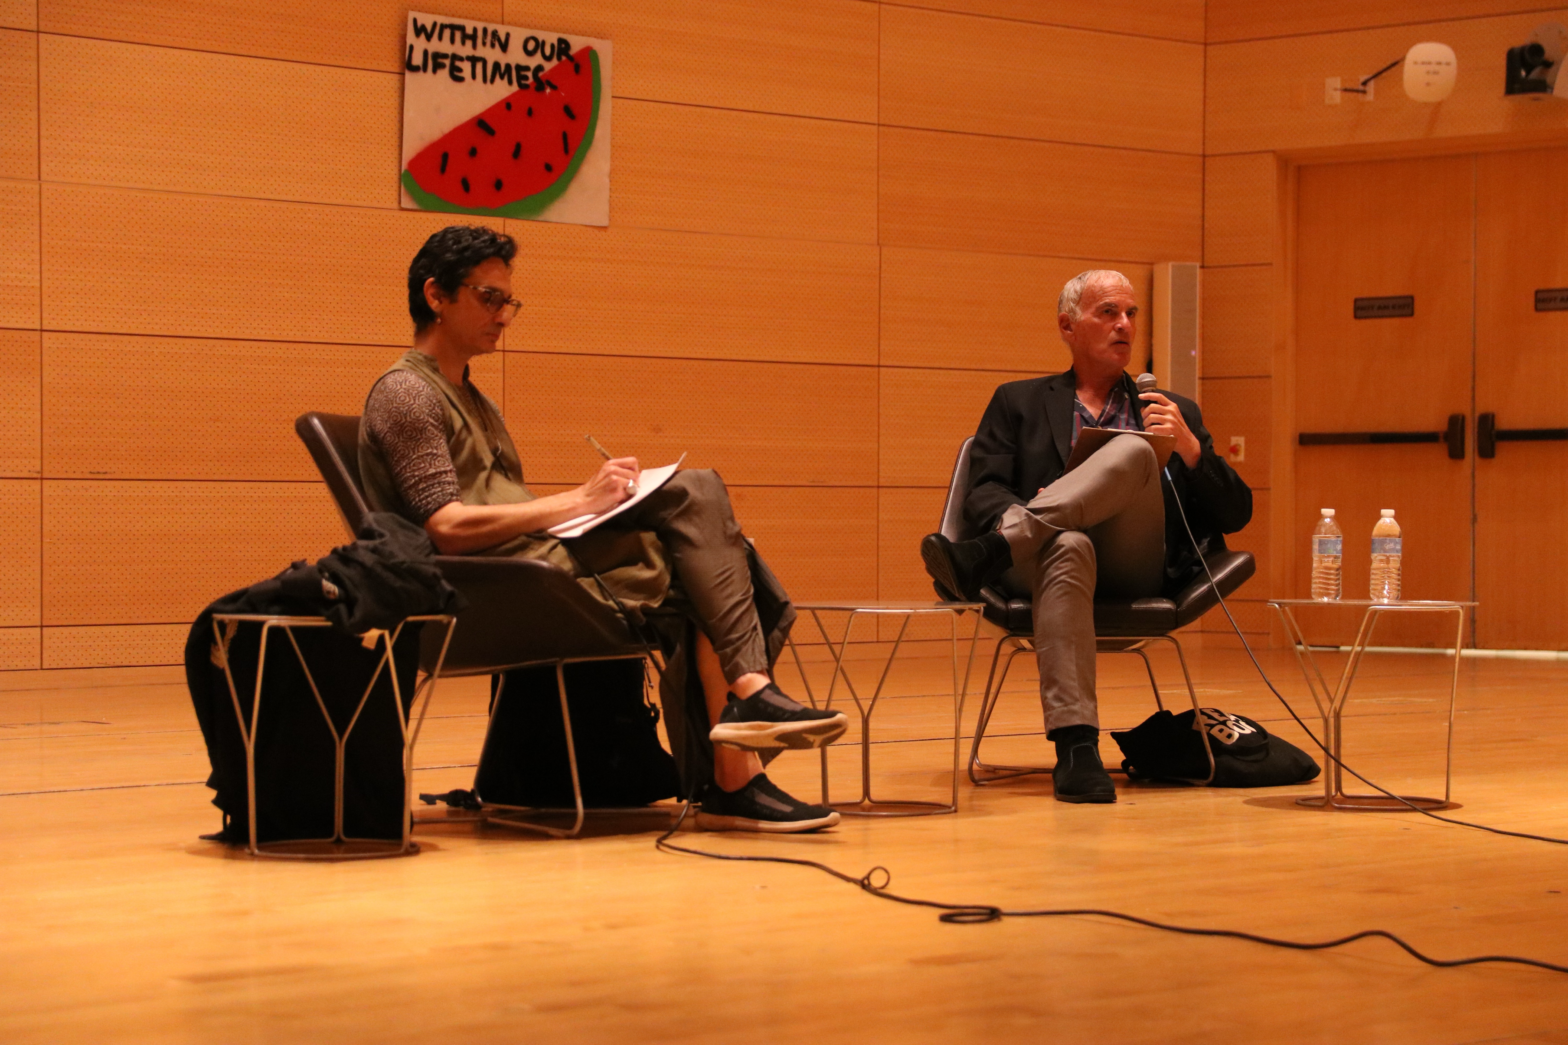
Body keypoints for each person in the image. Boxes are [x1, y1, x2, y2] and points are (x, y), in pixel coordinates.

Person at [359, 225, 848, 832]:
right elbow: (448, 529)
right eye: (489, 298)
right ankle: (737, 761)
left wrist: (597, 502)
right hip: (485, 589)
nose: (504, 315)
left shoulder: (472, 396)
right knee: (709, 539)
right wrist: (579, 500)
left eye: (509, 302)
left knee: (708, 527)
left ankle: (741, 747)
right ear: (436, 295)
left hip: (530, 568)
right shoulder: (406, 393)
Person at [921, 270, 1252, 804]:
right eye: (1107, 313)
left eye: (1131, 314)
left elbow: (1237, 512)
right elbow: (980, 492)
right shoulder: (1018, 402)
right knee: (1068, 543)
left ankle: (990, 553)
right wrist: (1046, 508)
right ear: (1067, 326)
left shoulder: (1171, 412)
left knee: (1133, 449)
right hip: (1047, 565)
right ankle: (1077, 747)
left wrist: (1190, 448)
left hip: (1133, 562)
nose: (1124, 324)